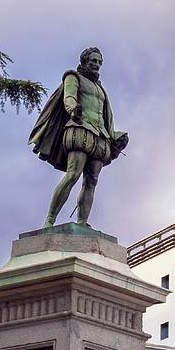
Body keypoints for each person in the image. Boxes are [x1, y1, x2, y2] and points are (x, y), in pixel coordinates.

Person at [29, 46, 129, 227]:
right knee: (72, 174)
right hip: (79, 130)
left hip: (101, 137)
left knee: (91, 182)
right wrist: (73, 109)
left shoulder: (101, 89)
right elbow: (69, 97)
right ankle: (49, 220)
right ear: (84, 61)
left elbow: (105, 116)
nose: (97, 65)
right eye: (93, 61)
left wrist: (116, 135)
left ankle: (82, 222)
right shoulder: (73, 77)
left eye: (99, 62)